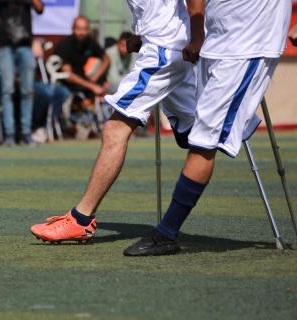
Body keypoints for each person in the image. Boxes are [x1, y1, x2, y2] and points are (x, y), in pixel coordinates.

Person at [125, 0, 293, 256]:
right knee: (198, 131)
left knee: (204, 142)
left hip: (248, 46)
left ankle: (167, 233)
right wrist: (197, 33)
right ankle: (240, 123)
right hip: (216, 43)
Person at [30, 0, 202, 250]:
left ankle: (81, 219)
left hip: (164, 53)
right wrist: (139, 37)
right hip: (171, 48)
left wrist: (199, 36)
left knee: (115, 129)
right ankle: (240, 116)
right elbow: (157, 10)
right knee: (199, 134)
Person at [0, 0, 44, 146]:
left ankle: (25, 133)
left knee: (28, 90)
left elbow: (40, 8)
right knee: (7, 90)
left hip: (24, 44)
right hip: (5, 44)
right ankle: (9, 134)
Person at [55, 16, 110, 100]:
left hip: (83, 80)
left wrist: (95, 78)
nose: (82, 32)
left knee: (106, 87)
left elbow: (106, 59)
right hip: (65, 83)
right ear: (73, 29)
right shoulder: (65, 45)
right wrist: (92, 86)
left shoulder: (89, 41)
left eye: (85, 29)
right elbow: (68, 75)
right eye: (78, 29)